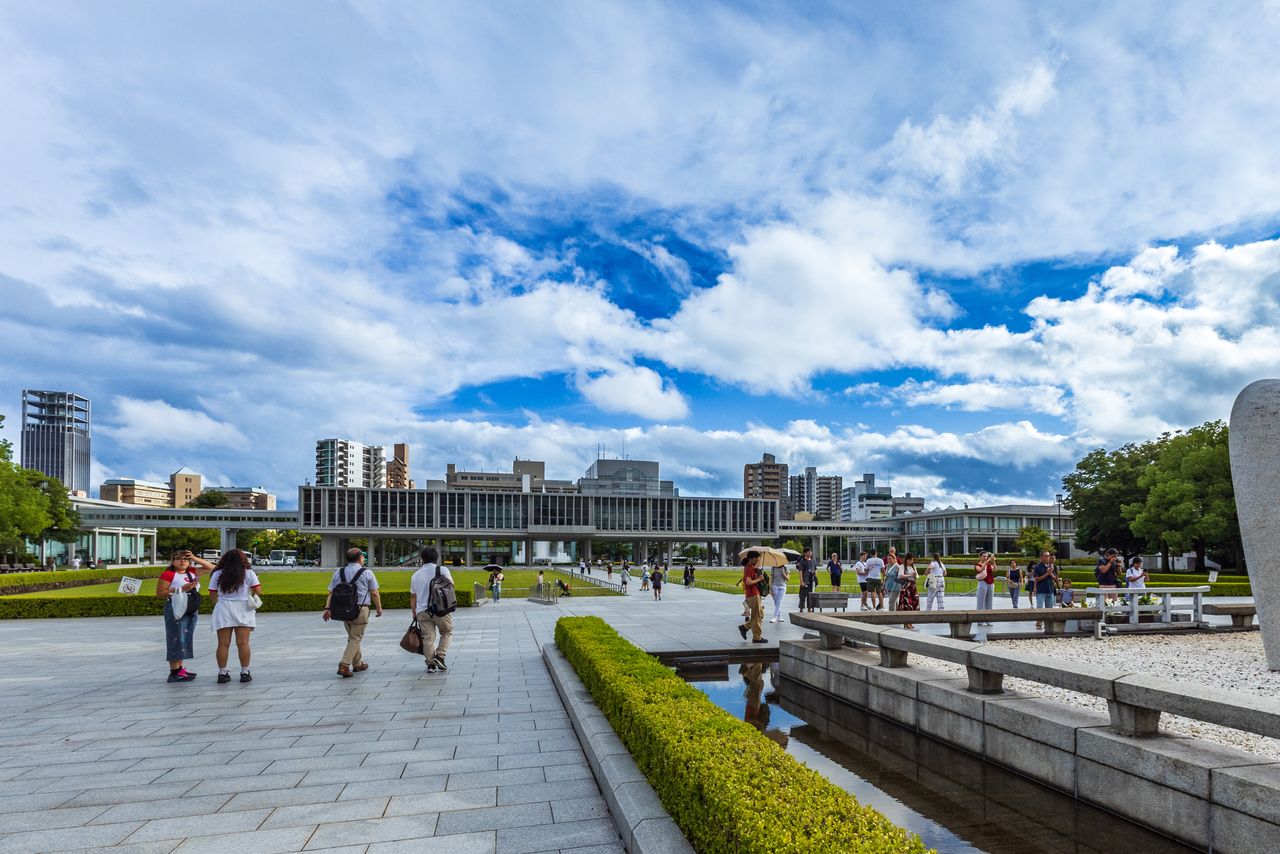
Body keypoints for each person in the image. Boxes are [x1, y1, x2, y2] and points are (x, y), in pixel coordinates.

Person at [323, 547, 383, 678]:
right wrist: (379, 608)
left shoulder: (339, 572)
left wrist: (327, 608)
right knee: (356, 637)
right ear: (360, 558)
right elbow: (374, 592)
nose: (363, 559)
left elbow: (331, 592)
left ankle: (358, 663)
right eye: (363, 557)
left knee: (353, 636)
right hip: (361, 609)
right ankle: (344, 665)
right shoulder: (367, 572)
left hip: (343, 609)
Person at [156, 549, 214, 682]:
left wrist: (195, 558)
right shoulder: (169, 574)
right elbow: (160, 593)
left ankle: (180, 668)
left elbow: (212, 567)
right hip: (175, 607)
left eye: (186, 559)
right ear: (173, 562)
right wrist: (181, 589)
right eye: (178, 559)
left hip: (190, 607)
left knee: (184, 637)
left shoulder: (192, 571)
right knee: (174, 638)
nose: (182, 561)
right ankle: (174, 671)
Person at [208, 549, 262, 684]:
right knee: (243, 643)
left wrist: (219, 603)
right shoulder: (248, 573)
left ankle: (222, 673)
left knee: (223, 644)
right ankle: (245, 672)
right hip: (243, 608)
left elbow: (212, 593)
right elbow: (258, 590)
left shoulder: (217, 573)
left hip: (223, 607)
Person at [410, 547, 453, 672]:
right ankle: (440, 656)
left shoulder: (416, 575)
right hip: (440, 609)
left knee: (428, 638)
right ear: (437, 557)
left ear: (422, 558)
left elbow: (413, 596)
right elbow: (451, 586)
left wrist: (414, 612)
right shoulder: (442, 570)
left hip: (422, 611)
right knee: (447, 632)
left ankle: (430, 664)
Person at [737, 555, 767, 643]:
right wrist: (759, 579)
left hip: (755, 594)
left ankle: (745, 627)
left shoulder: (751, 568)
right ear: (751, 558)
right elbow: (748, 582)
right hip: (753, 594)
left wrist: (759, 573)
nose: (758, 560)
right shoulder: (749, 568)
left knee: (760, 615)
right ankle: (757, 637)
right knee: (757, 617)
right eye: (756, 558)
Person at [897, 553, 919, 629]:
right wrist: (910, 575)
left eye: (912, 560)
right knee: (906, 604)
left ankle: (910, 622)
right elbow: (900, 576)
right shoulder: (902, 566)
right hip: (906, 587)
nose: (911, 561)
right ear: (906, 559)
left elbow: (917, 576)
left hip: (913, 587)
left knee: (914, 603)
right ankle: (906, 623)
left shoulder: (913, 567)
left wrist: (915, 575)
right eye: (909, 560)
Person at [974, 551, 996, 624]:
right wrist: (987, 562)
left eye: (986, 556)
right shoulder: (977, 565)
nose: (985, 557)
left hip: (990, 583)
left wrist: (993, 562)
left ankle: (989, 620)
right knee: (980, 602)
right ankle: (980, 620)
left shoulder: (989, 565)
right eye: (984, 556)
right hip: (982, 583)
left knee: (989, 602)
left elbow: (995, 570)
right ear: (980, 557)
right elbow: (981, 570)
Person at [796, 548, 817, 613]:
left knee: (810, 596)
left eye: (811, 551)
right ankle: (801, 608)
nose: (810, 553)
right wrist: (801, 581)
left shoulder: (813, 561)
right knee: (802, 595)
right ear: (805, 553)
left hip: (811, 581)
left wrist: (816, 578)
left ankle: (809, 608)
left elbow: (815, 569)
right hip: (805, 580)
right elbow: (800, 571)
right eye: (809, 552)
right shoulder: (802, 561)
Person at [769, 559, 790, 624]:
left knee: (779, 602)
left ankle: (774, 617)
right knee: (776, 602)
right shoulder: (773, 568)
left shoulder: (785, 568)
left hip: (782, 587)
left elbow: (788, 579)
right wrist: (770, 589)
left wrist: (783, 574)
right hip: (775, 586)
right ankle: (779, 616)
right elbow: (771, 579)